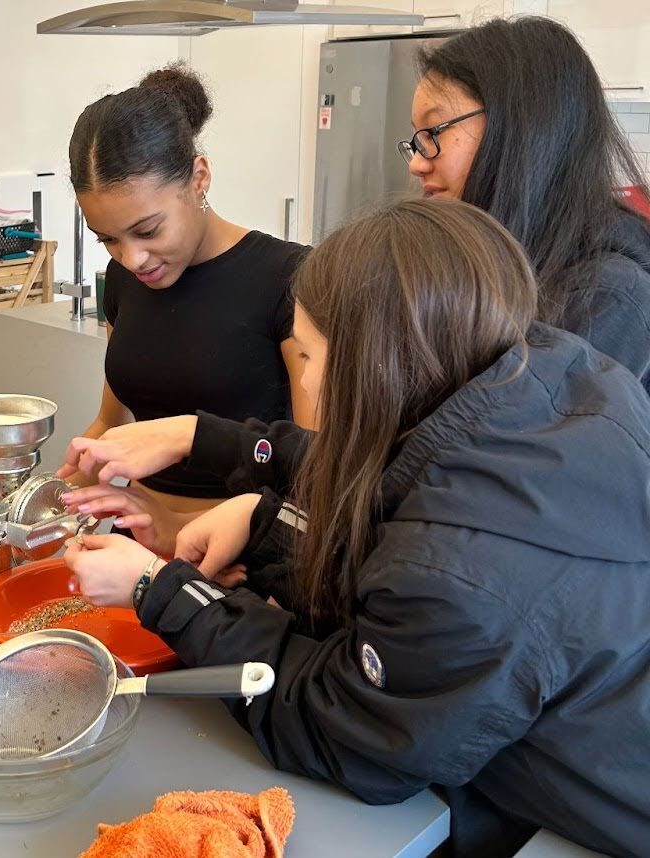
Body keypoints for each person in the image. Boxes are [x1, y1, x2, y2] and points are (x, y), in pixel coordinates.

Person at [64, 199, 650, 858]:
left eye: (310, 355)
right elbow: (404, 487)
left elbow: (343, 730)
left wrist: (160, 590)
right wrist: (253, 505)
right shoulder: (540, 372)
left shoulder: (460, 581)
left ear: (378, 367)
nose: (305, 377)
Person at [60, 16, 650, 516]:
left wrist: (207, 475)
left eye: (433, 134)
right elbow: (374, 466)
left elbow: (468, 500)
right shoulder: (486, 281)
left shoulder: (609, 301)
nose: (417, 163)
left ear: (525, 129)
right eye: (414, 139)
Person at [60, 62, 312, 523]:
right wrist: (34, 516)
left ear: (199, 178)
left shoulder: (292, 277)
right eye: (109, 240)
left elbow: (317, 466)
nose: (132, 259)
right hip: (135, 536)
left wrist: (183, 533)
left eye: (148, 230)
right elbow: (110, 426)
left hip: (249, 555)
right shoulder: (124, 281)